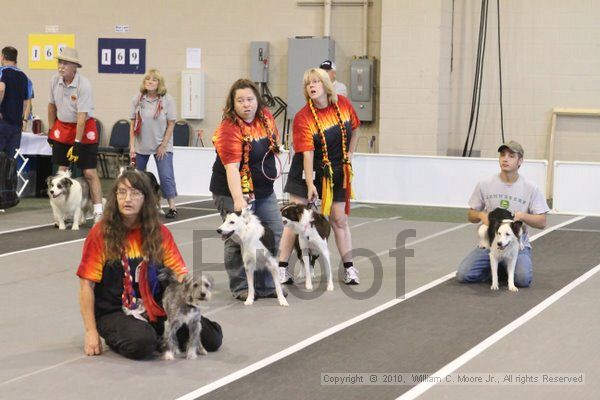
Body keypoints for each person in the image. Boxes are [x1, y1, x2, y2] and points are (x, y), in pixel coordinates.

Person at [76, 170, 223, 359]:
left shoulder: (159, 233)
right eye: (121, 192)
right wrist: (90, 331)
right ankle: (132, 334)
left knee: (211, 339)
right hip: (115, 310)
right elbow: (86, 285)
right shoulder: (99, 234)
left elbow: (180, 274)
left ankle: (155, 331)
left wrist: (195, 296)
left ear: (146, 199)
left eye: (135, 193)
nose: (127, 198)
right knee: (143, 343)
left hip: (156, 305)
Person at [279, 68, 360, 285]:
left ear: (326, 85)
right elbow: (307, 154)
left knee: (339, 219)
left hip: (335, 171)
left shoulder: (343, 105)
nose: (312, 86)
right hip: (307, 170)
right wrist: (309, 184)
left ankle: (349, 268)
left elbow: (355, 129)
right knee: (293, 221)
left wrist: (350, 154)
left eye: (316, 82)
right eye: (308, 84)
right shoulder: (303, 117)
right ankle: (282, 268)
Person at [210, 78, 284, 300]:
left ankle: (266, 285)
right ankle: (241, 286)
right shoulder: (228, 129)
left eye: (250, 99)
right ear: (233, 104)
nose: (246, 105)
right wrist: (238, 199)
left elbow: (273, 142)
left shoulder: (266, 118)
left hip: (263, 189)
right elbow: (232, 168)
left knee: (274, 230)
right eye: (240, 101)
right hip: (230, 190)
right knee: (237, 237)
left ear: (257, 100)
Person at [456, 140, 549, 287]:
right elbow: (471, 215)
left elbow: (542, 222)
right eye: (502, 155)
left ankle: (504, 267)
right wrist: (481, 216)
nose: (505, 159)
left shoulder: (530, 188)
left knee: (523, 280)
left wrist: (523, 216)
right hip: (491, 243)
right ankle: (499, 267)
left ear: (520, 161)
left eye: (511, 156)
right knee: (463, 274)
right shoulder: (485, 184)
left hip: (516, 244)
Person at [47, 47, 103, 222]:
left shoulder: (83, 85)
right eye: (59, 63)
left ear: (74, 67)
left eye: (65, 63)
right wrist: (51, 130)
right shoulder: (54, 81)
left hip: (84, 128)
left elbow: (82, 116)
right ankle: (62, 214)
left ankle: (98, 210)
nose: (61, 66)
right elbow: (51, 106)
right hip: (62, 127)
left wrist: (77, 143)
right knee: (61, 171)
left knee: (89, 172)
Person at [129, 69, 179, 218]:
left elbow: (171, 124)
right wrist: (131, 146)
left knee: (166, 176)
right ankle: (135, 206)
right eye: (148, 79)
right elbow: (132, 124)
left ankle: (172, 207)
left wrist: (163, 145)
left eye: (154, 80)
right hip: (141, 144)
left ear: (159, 84)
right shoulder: (137, 99)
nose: (150, 82)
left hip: (161, 144)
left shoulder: (167, 100)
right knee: (135, 178)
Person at [0, 46, 30, 158]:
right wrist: (20, 118)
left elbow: (1, 89)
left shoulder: (2, 71)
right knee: (11, 160)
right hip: (17, 124)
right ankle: (10, 176)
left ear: (3, 57)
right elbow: (26, 102)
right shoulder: (24, 77)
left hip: (3, 122)